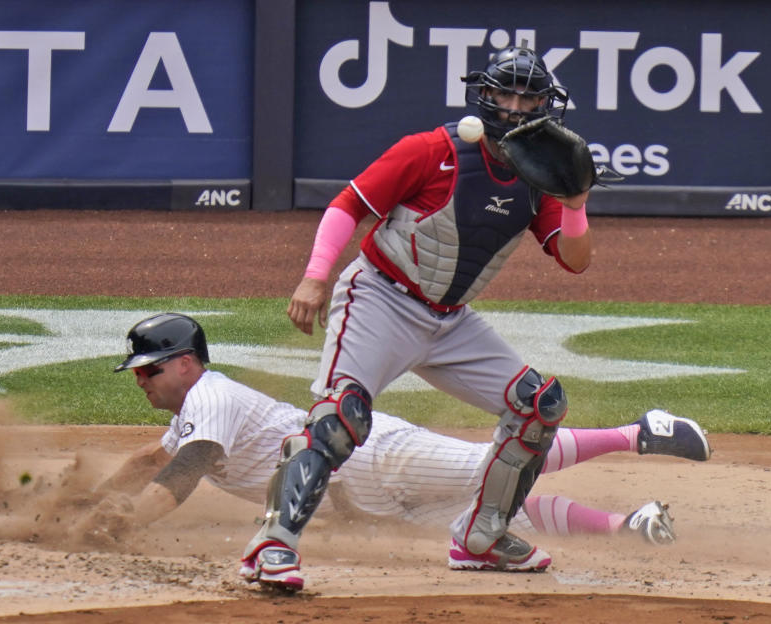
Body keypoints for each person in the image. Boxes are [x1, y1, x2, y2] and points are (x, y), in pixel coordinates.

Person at [243, 44, 601, 589]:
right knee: (341, 419)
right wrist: (315, 276)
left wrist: (575, 204)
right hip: (381, 299)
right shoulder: (432, 150)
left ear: (546, 106)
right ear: (484, 97)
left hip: (451, 322)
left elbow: (575, 262)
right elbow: (349, 204)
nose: (517, 107)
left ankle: (481, 534)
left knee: (540, 405)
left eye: (530, 98)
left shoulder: (541, 177)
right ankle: (273, 544)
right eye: (506, 93)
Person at [83, 314, 711, 588]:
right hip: (365, 498)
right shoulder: (194, 408)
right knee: (498, 511)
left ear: (185, 364)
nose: (140, 381)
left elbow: (184, 474)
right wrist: (80, 502)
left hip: (376, 456)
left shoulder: (211, 396)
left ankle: (639, 432)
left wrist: (116, 528)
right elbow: (152, 460)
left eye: (147, 370)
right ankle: (626, 525)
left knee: (489, 466)